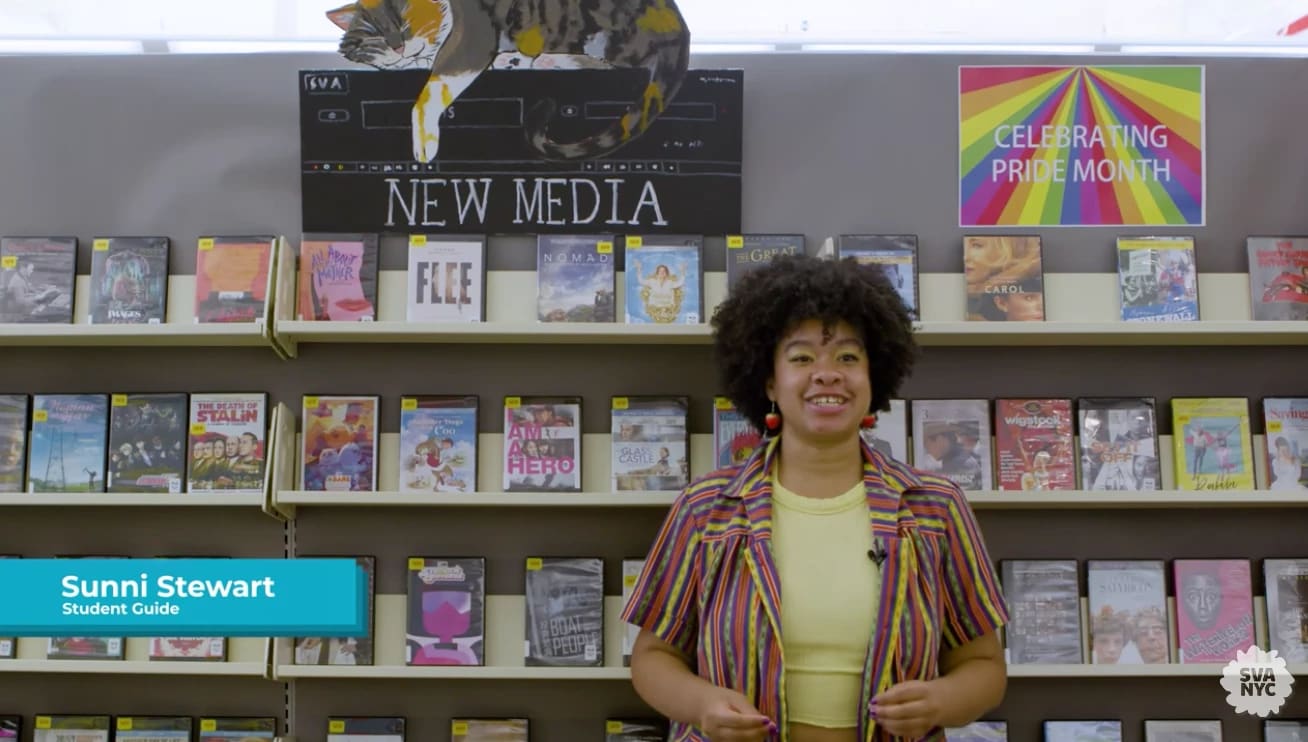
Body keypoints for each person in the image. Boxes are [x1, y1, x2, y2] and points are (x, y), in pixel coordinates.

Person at [622, 254, 1009, 742]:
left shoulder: (936, 507)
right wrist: (702, 706)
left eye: (848, 357)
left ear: (873, 378)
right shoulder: (706, 508)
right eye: (802, 358)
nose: (827, 374)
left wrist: (943, 702)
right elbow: (652, 658)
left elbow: (984, 665)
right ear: (769, 382)